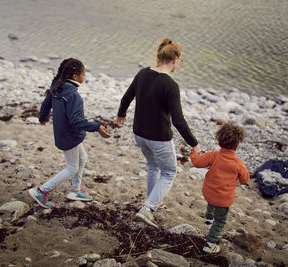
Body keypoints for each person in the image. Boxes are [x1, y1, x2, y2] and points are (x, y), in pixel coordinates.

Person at [116, 38, 200, 228]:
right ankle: (149, 208)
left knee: (153, 166)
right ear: (176, 59)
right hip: (159, 139)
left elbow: (126, 97)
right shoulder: (171, 86)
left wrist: (121, 115)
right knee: (170, 172)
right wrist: (194, 143)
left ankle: (150, 201)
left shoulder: (143, 73)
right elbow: (178, 120)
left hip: (139, 134)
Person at [29, 58, 111, 208]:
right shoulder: (73, 96)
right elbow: (76, 121)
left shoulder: (57, 86)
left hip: (62, 133)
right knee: (71, 167)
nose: (84, 77)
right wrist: (97, 127)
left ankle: (75, 190)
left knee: (83, 157)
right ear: (75, 77)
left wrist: (43, 117)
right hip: (69, 136)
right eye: (83, 74)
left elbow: (46, 103)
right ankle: (41, 191)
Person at [190, 121, 250, 253]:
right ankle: (209, 244)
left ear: (219, 141)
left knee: (212, 202)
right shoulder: (238, 162)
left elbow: (197, 162)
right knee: (220, 221)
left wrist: (194, 152)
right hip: (223, 199)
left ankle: (208, 220)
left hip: (208, 192)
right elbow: (245, 179)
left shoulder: (213, 155)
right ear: (237, 144)